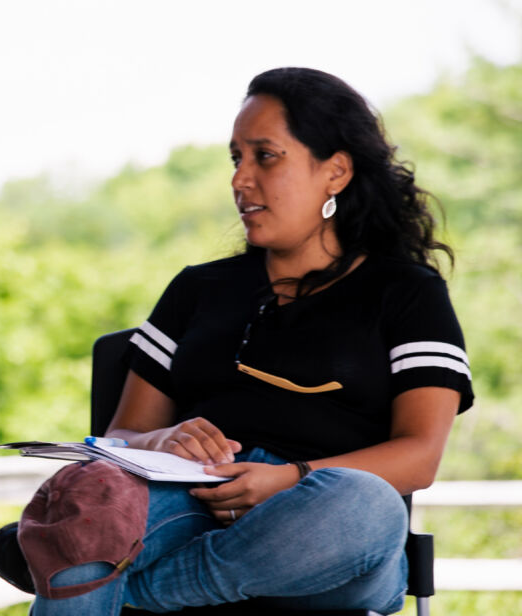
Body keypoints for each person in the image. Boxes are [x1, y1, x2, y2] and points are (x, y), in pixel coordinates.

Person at [31, 67, 473, 615]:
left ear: (335, 171)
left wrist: (288, 479)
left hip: (324, 532)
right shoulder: (198, 288)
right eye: (236, 158)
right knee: (89, 494)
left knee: (365, 505)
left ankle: (131, 596)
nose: (241, 179)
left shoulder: (407, 293)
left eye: (265, 156)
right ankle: (106, 588)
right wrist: (164, 441)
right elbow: (123, 434)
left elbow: (419, 455)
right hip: (192, 504)